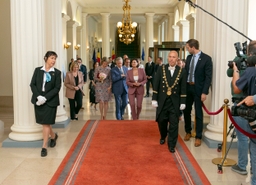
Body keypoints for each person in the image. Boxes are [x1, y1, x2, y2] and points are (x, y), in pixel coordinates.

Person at [152, 51, 187, 153]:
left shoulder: (182, 71)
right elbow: (156, 84)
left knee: (174, 124)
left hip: (174, 102)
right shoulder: (161, 68)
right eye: (170, 57)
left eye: (174, 57)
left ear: (177, 59)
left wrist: (183, 101)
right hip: (162, 101)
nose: (171, 59)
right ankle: (163, 135)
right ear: (167, 58)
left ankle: (172, 144)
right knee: (161, 121)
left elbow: (183, 88)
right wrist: (154, 98)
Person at [232, 41, 256, 184]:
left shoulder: (251, 71)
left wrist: (236, 70)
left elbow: (236, 88)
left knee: (253, 145)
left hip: (251, 116)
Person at [30, 51, 61, 157]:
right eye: (52, 58)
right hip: (38, 101)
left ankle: (44, 146)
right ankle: (53, 136)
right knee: (45, 123)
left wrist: (45, 98)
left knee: (46, 123)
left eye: (55, 59)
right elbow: (32, 84)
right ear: (46, 58)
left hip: (50, 101)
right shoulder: (38, 70)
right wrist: (38, 96)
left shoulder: (57, 73)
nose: (54, 60)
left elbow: (57, 88)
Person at [183, 39, 213, 147]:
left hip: (198, 89)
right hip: (188, 88)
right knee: (186, 111)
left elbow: (208, 77)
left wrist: (204, 92)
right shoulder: (189, 58)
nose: (187, 50)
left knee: (198, 113)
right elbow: (186, 72)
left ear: (192, 47)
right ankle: (188, 131)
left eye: (188, 48)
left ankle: (198, 137)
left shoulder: (206, 59)